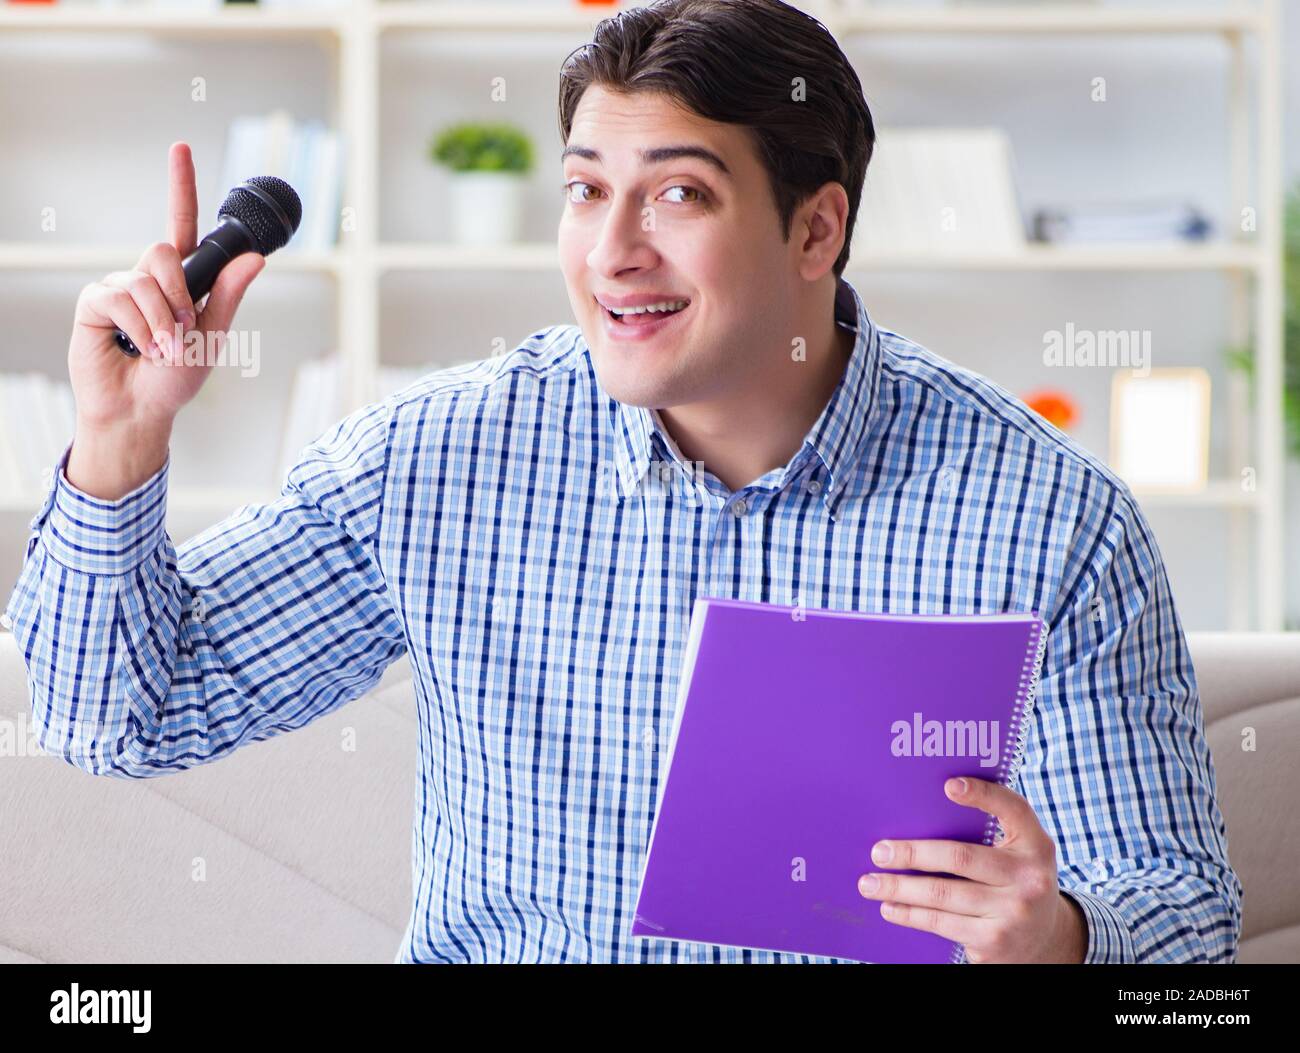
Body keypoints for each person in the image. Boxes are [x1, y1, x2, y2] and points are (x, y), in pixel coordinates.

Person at [4, 0, 1240, 964]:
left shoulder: (1048, 519)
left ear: (816, 229)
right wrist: (120, 449)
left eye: (679, 194)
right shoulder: (438, 460)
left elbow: (1182, 926)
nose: (612, 251)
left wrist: (1061, 940)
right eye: (587, 189)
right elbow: (117, 720)